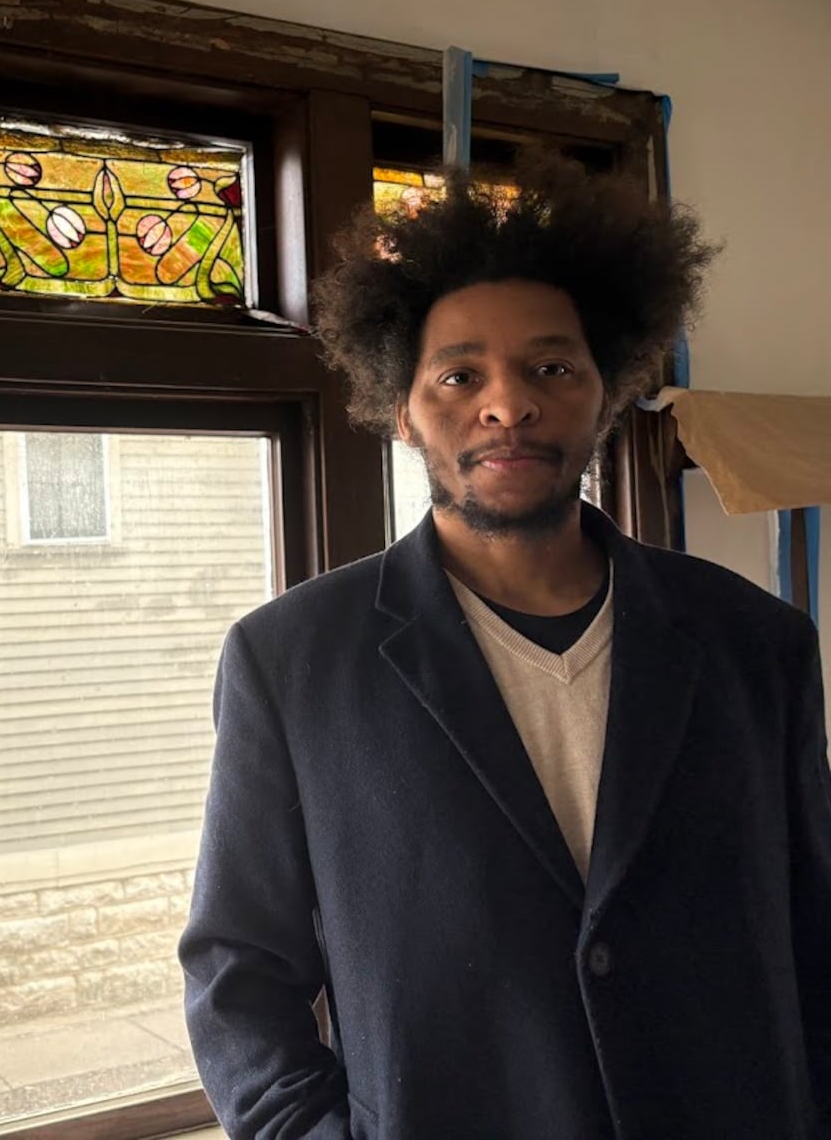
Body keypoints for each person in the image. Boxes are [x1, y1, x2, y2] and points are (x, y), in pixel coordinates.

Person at [178, 157, 831, 1139]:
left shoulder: (756, 643)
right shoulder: (291, 661)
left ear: (603, 394)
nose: (507, 405)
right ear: (401, 407)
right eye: (459, 375)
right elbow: (240, 971)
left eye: (550, 368)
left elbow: (811, 926)